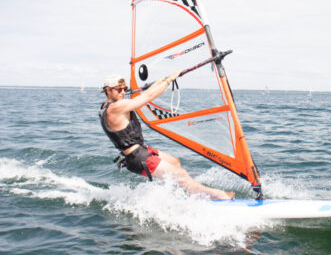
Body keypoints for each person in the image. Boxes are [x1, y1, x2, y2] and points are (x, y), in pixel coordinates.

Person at [99, 73, 234, 200]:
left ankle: (180, 194)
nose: (123, 92)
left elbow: (147, 93)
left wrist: (162, 80)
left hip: (140, 151)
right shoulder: (115, 108)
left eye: (125, 88)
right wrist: (169, 80)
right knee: (180, 174)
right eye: (118, 89)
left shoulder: (106, 107)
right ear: (108, 91)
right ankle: (214, 195)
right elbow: (147, 97)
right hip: (137, 158)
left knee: (175, 162)